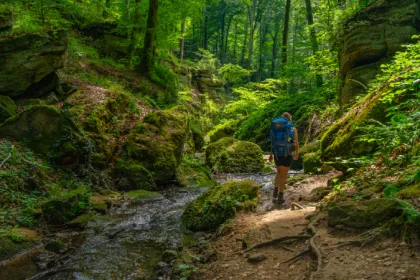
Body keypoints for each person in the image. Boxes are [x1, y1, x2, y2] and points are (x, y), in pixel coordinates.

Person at [269, 112, 299, 205]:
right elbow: (295, 143)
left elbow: (272, 143)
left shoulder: (274, 129)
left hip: (276, 154)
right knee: (283, 175)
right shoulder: (292, 129)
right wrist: (296, 154)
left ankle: (275, 191)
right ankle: (280, 197)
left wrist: (271, 155)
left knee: (278, 172)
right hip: (287, 154)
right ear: (289, 120)